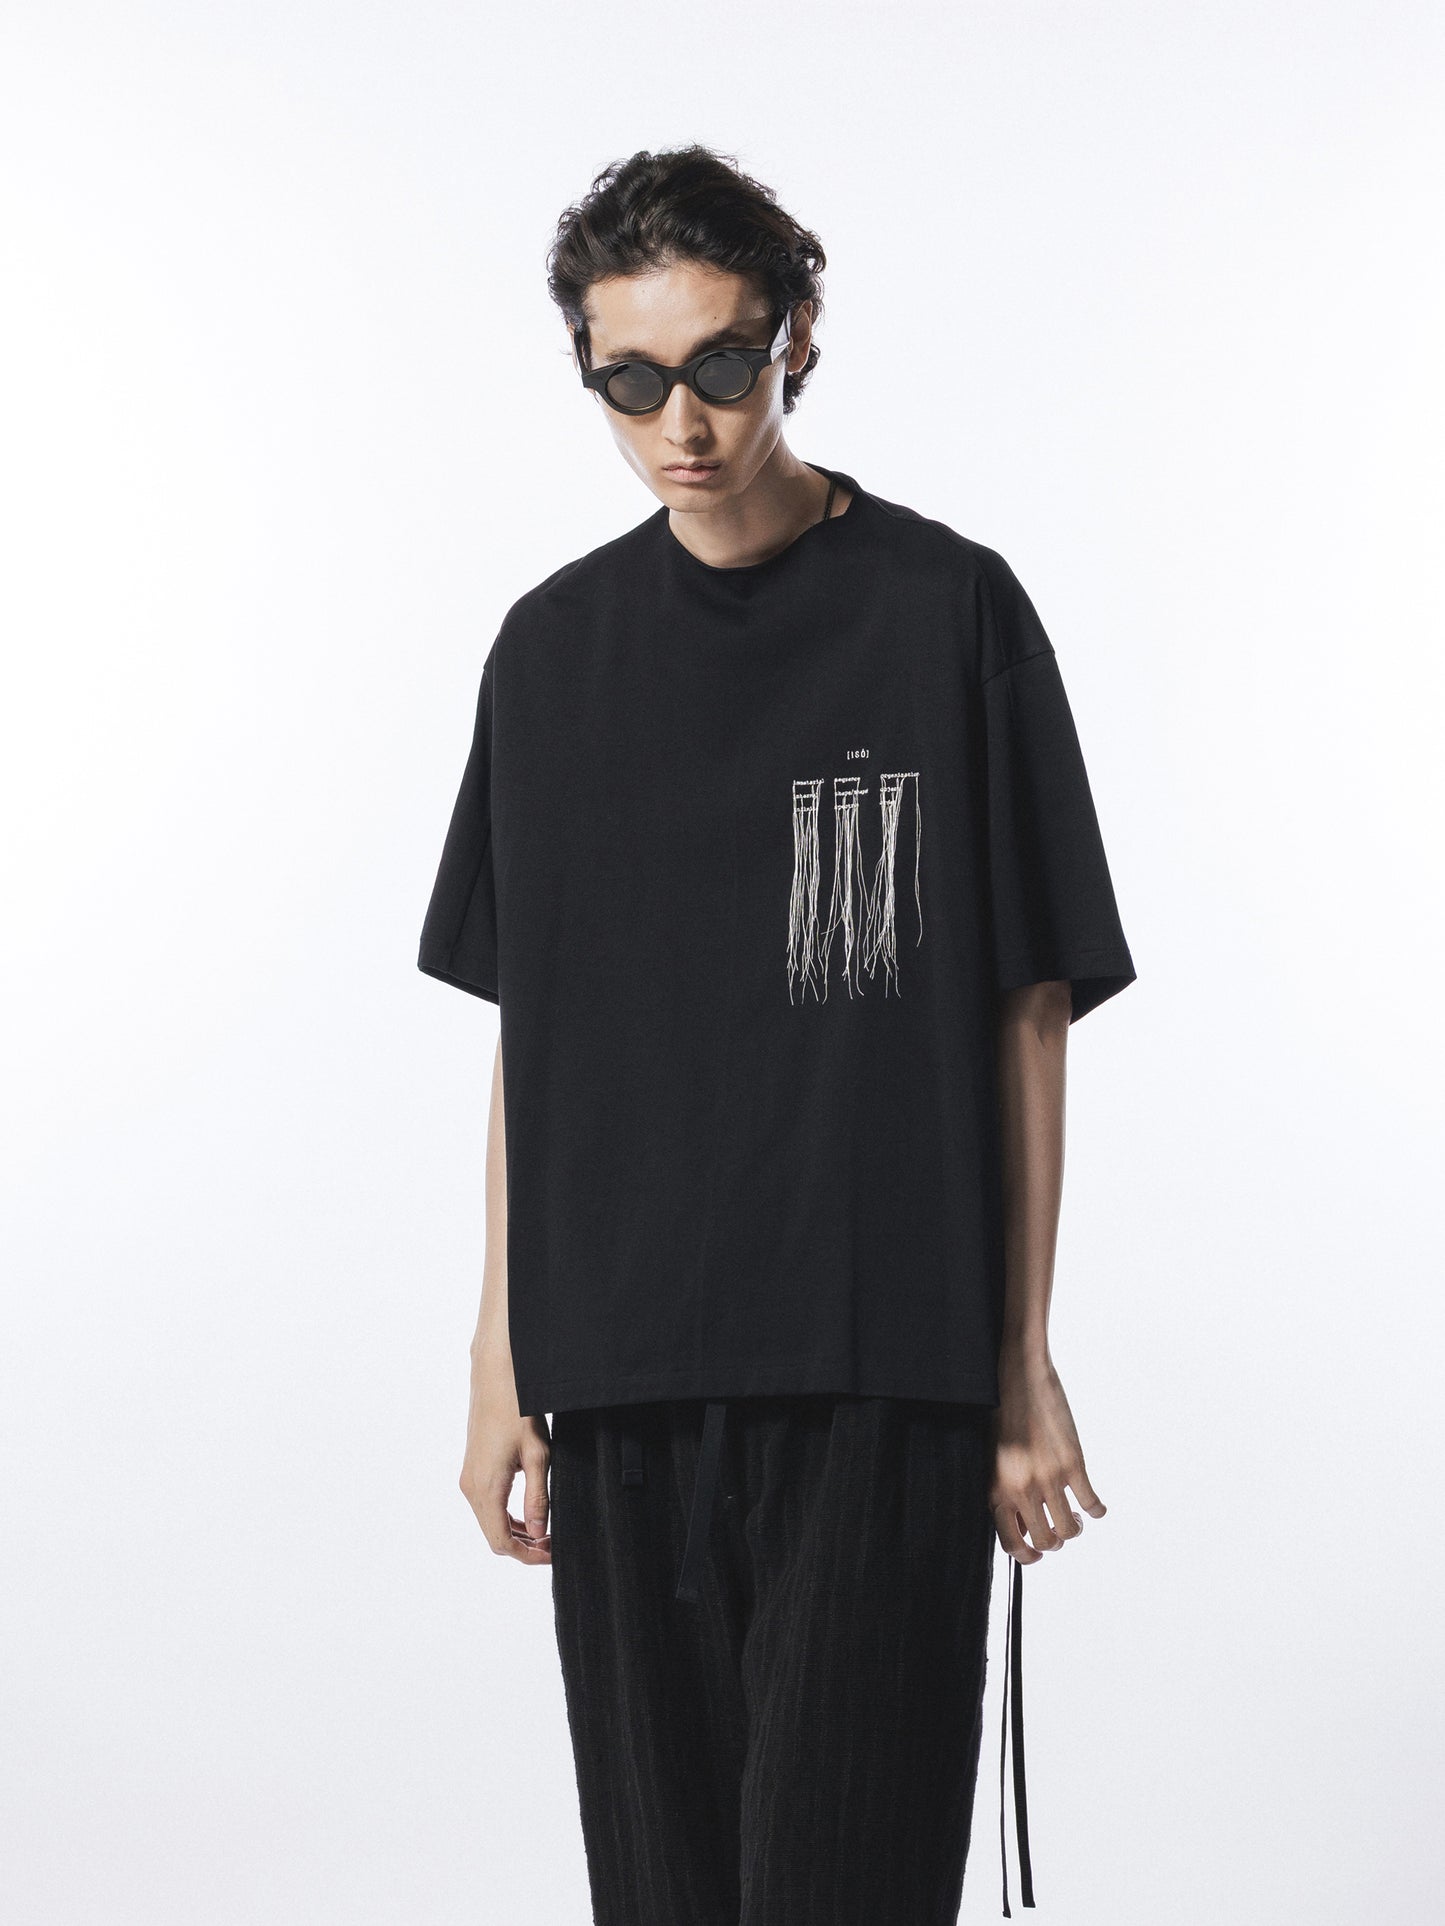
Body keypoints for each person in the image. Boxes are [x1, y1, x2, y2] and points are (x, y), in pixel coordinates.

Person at [418, 143, 1136, 1925]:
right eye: (630, 381)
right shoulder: (548, 656)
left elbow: (1028, 1011)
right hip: (622, 1376)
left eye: (722, 364)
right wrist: (503, 1358)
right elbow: (537, 1042)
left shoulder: (947, 613)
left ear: (796, 337)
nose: (683, 422)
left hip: (877, 1364)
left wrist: (1016, 1358)